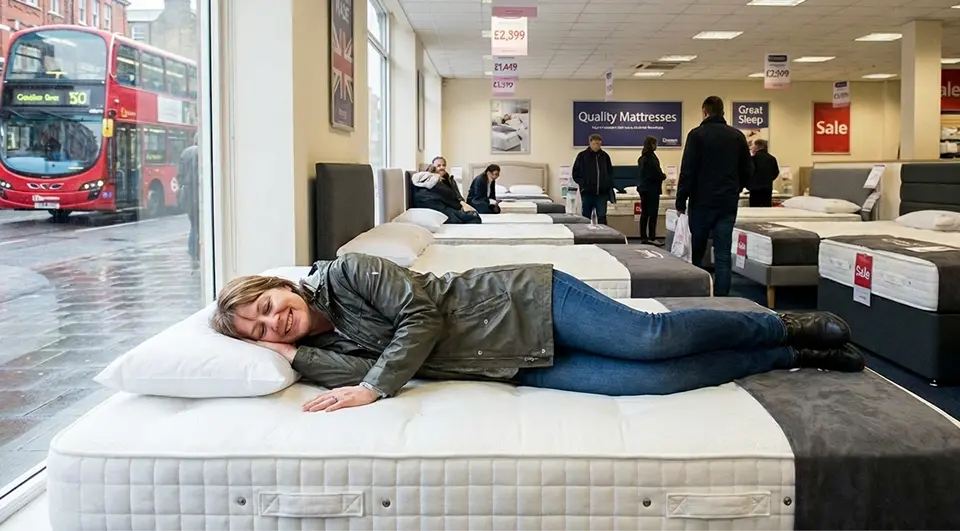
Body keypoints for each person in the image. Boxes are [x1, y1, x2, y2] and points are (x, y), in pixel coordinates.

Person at [210, 253, 864, 412]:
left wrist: (376, 387)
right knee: (654, 380)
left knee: (650, 341)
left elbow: (423, 317)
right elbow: (335, 373)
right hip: (509, 362)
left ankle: (776, 318)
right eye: (260, 328)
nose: (273, 319)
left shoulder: (350, 271)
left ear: (281, 284)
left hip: (528, 299)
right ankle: (786, 352)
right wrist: (291, 351)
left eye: (267, 305)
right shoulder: (319, 349)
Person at [676, 96, 753, 297]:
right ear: (723, 112)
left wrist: (680, 201)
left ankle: (697, 291)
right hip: (727, 203)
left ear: (705, 111)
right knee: (723, 253)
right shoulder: (737, 136)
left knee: (697, 251)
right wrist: (736, 188)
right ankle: (721, 296)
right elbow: (748, 170)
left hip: (701, 202)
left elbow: (688, 171)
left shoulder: (697, 135)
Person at [410, 165, 482, 224]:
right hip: (441, 211)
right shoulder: (436, 184)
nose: (442, 168)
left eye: (443, 165)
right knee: (474, 217)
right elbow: (451, 199)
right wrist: (461, 207)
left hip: (435, 208)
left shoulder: (417, 185)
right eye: (439, 166)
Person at [572, 134, 614, 224]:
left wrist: (607, 184)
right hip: (587, 193)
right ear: (590, 143)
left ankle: (604, 236)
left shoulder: (605, 156)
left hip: (602, 194)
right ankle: (585, 236)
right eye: (595, 143)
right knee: (586, 217)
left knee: (602, 217)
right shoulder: (582, 156)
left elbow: (610, 172)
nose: (597, 146)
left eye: (599, 144)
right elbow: (575, 173)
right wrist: (583, 184)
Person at [637, 136, 666, 245]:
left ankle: (644, 237)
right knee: (652, 214)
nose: (656, 146)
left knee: (644, 214)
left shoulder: (642, 157)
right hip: (651, 190)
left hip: (644, 189)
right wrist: (663, 176)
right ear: (651, 144)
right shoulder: (650, 158)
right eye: (655, 144)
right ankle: (652, 238)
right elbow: (655, 174)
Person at [177, 132, 200, 265]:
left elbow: (179, 175)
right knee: (198, 226)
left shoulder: (185, 153)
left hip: (187, 195)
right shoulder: (200, 153)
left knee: (193, 225)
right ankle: (195, 251)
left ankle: (192, 252)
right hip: (197, 194)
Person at [748, 139, 780, 208]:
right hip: (767, 188)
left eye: (753, 146)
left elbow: (748, 172)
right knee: (766, 209)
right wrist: (768, 179)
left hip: (754, 188)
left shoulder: (753, 159)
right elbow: (776, 172)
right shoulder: (772, 159)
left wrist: (749, 183)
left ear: (757, 147)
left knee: (754, 210)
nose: (751, 148)